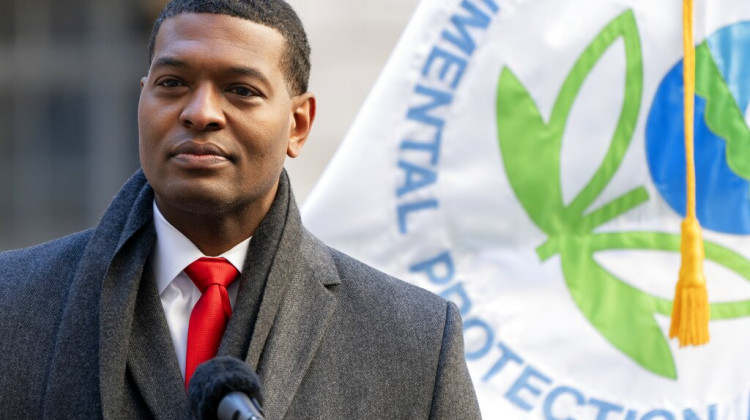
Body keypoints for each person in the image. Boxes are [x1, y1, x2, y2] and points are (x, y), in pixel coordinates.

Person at [0, 0, 481, 418]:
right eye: (172, 83)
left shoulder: (412, 343)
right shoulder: (13, 306)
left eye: (241, 90)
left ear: (298, 124)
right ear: (141, 98)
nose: (201, 112)